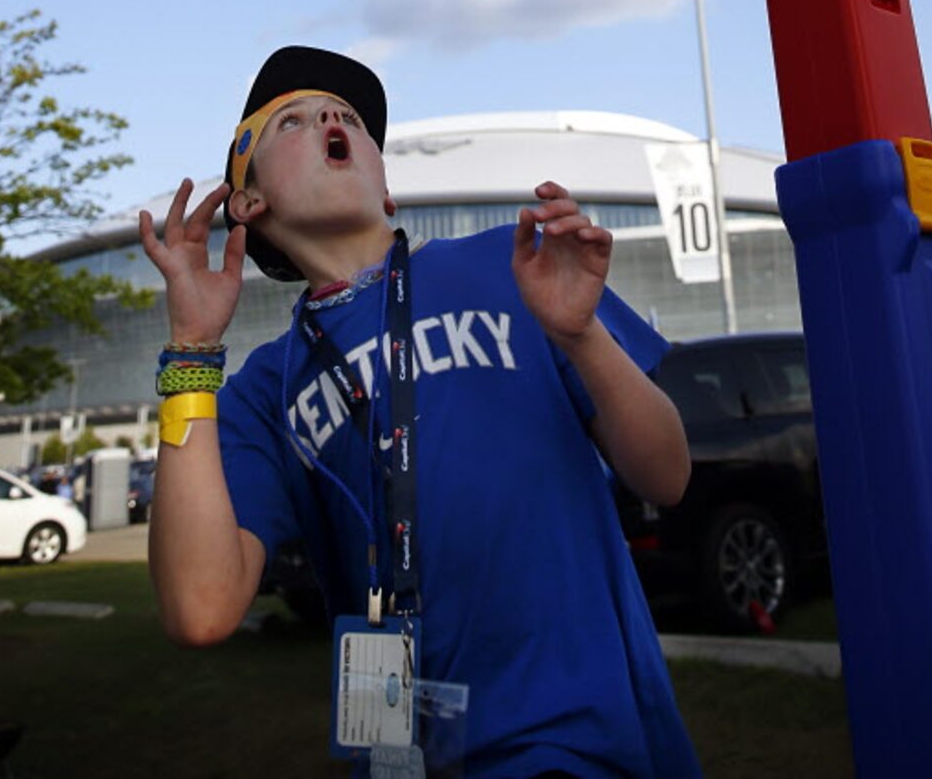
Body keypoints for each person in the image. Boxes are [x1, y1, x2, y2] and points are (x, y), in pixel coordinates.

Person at [140, 46, 701, 778]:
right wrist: (190, 351)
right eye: (294, 122)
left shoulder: (520, 266)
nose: (332, 119)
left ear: (387, 189)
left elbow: (667, 476)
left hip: (580, 738)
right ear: (249, 203)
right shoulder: (259, 389)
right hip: (409, 755)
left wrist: (580, 333)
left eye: (347, 118)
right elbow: (200, 607)